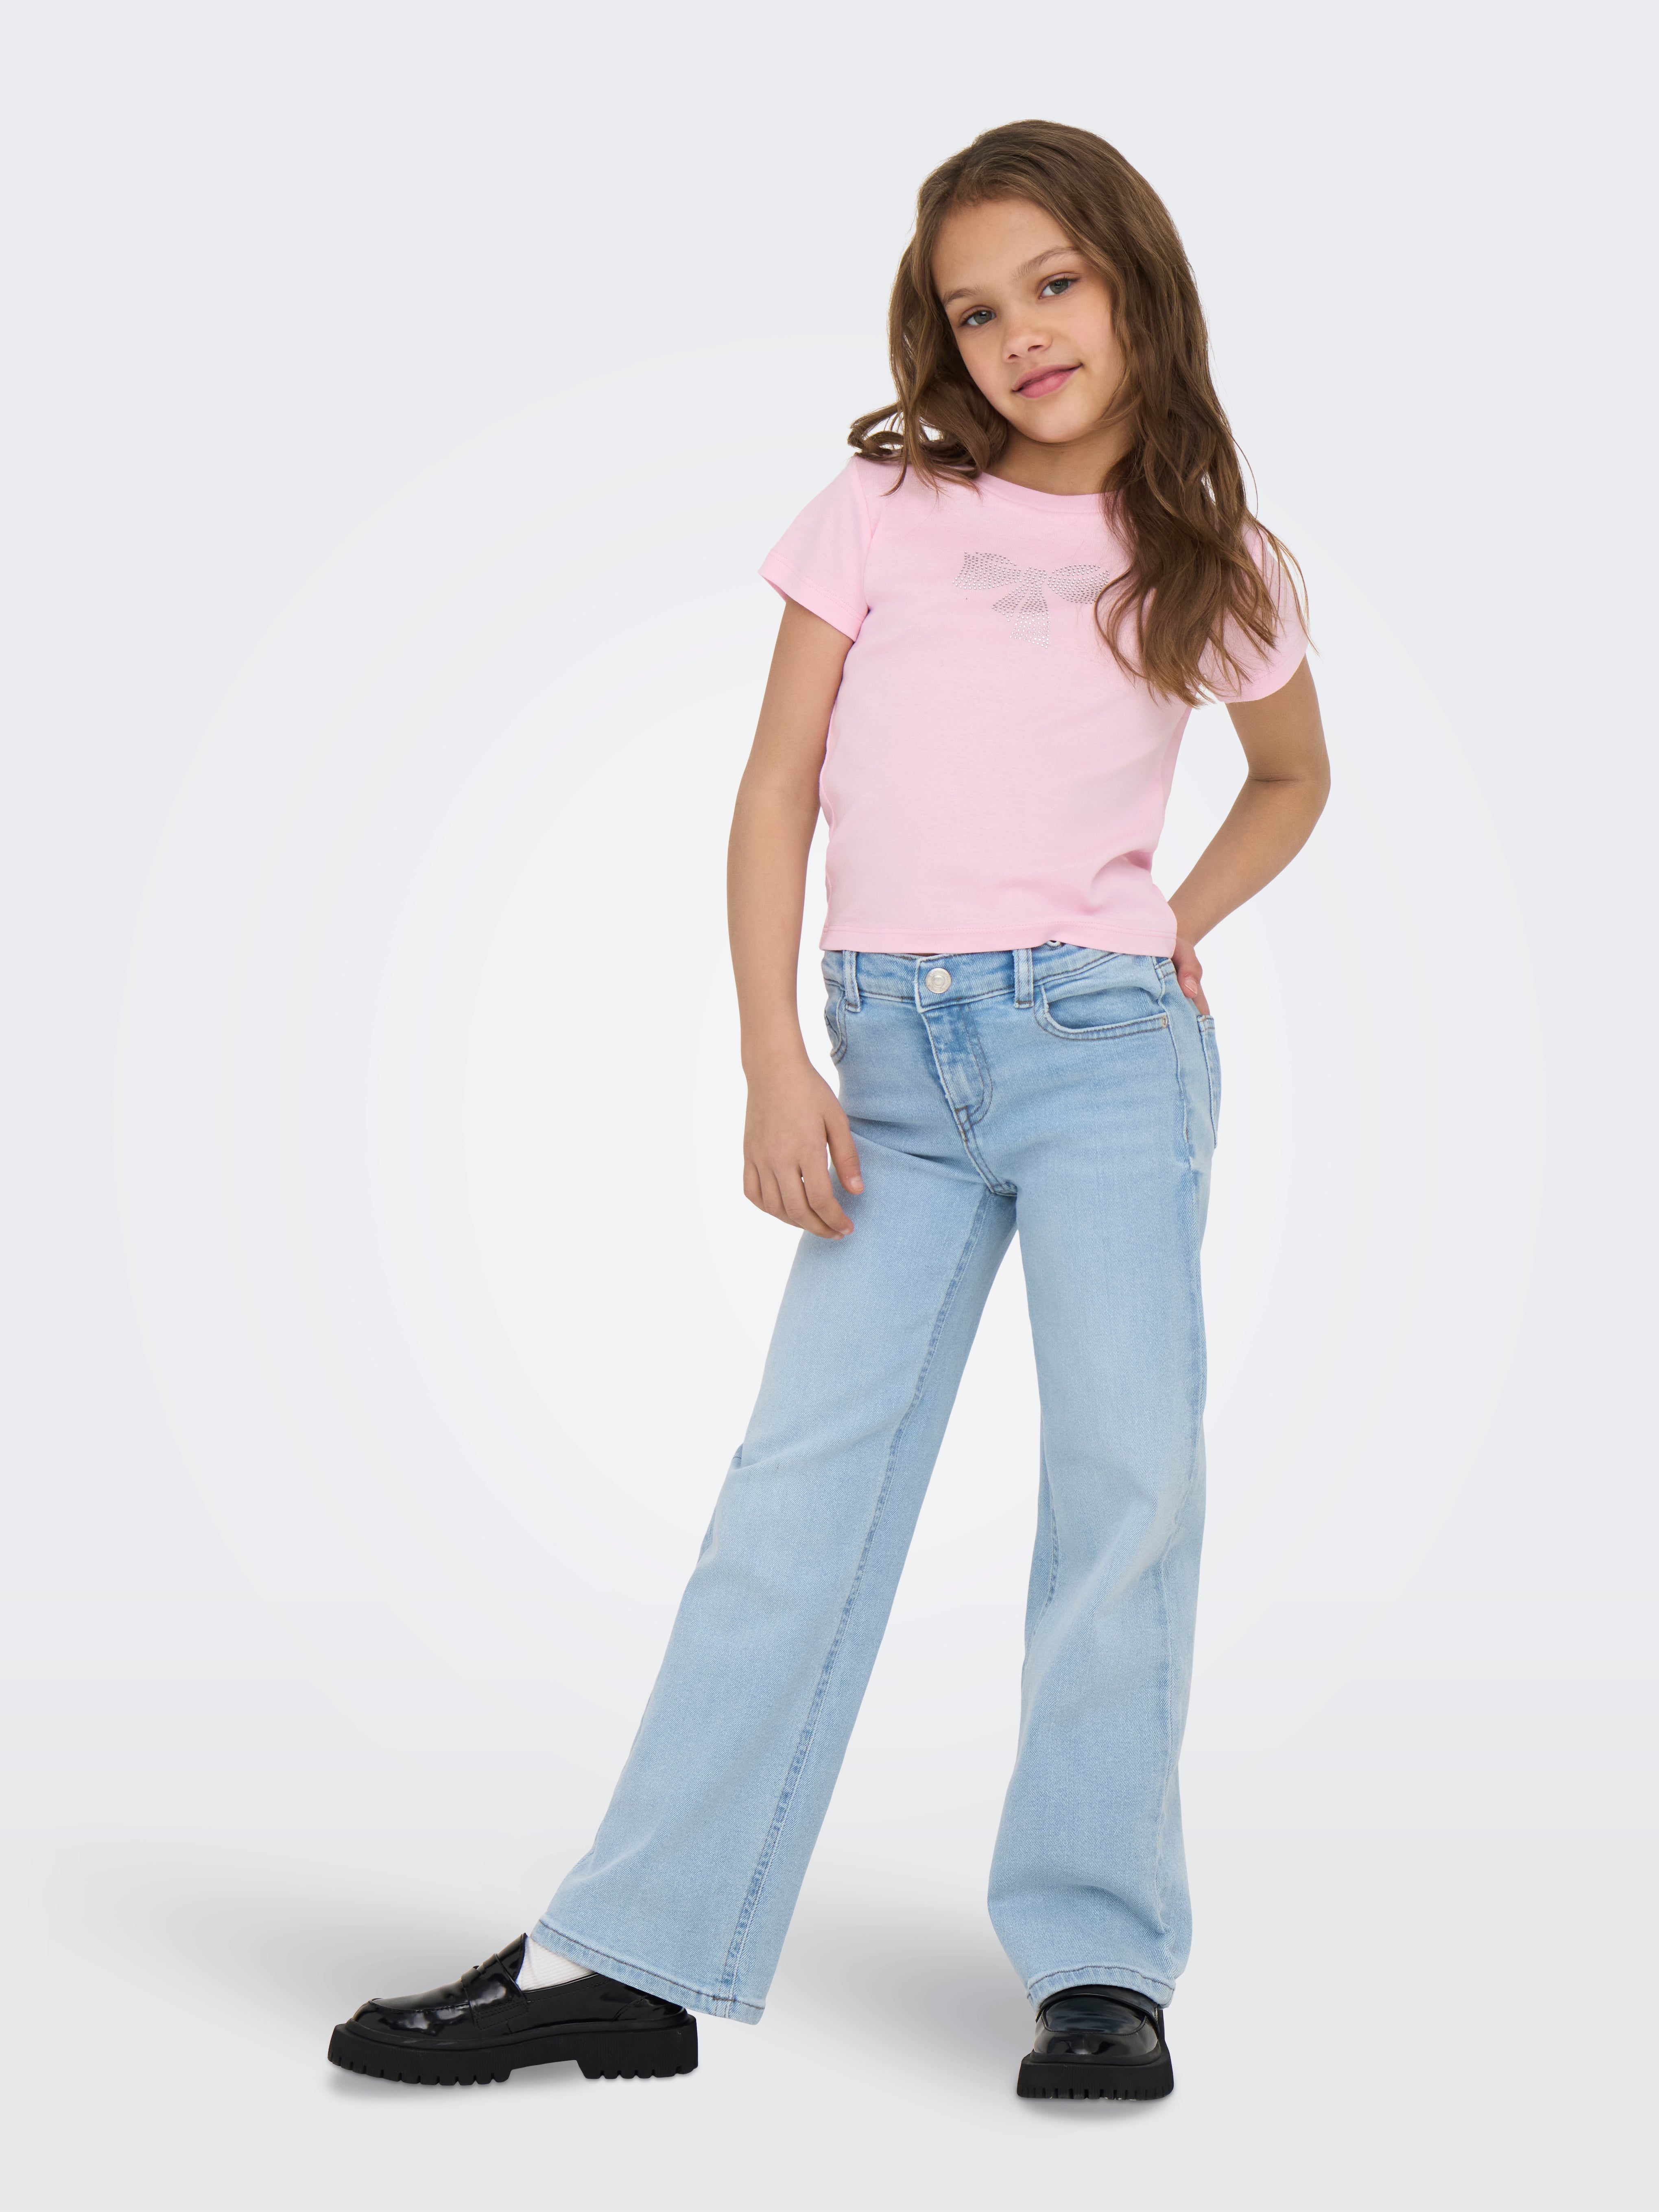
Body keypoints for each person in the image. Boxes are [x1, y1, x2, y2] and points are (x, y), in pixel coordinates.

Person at [327, 117, 1329, 2102]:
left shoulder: (1214, 559)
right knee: (798, 1495)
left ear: (1137, 278)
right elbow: (777, 784)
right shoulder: (879, 511)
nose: (1020, 333)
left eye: (1054, 283)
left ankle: (1100, 1965)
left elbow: (1294, 774)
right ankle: (628, 1952)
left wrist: (1178, 923)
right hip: (890, 1066)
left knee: (1125, 1490)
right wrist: (772, 1056)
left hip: (1107, 1057)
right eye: (975, 310)